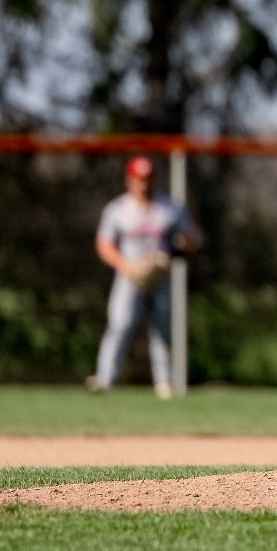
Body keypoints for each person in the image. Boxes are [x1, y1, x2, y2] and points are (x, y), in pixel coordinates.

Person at [86, 156, 199, 399]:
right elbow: (104, 245)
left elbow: (189, 241)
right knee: (120, 325)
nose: (143, 184)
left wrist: (170, 253)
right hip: (129, 276)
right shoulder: (118, 209)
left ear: (154, 179)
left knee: (161, 329)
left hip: (161, 277)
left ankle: (165, 383)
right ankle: (105, 379)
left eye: (147, 179)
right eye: (138, 179)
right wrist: (127, 267)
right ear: (130, 179)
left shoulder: (170, 208)